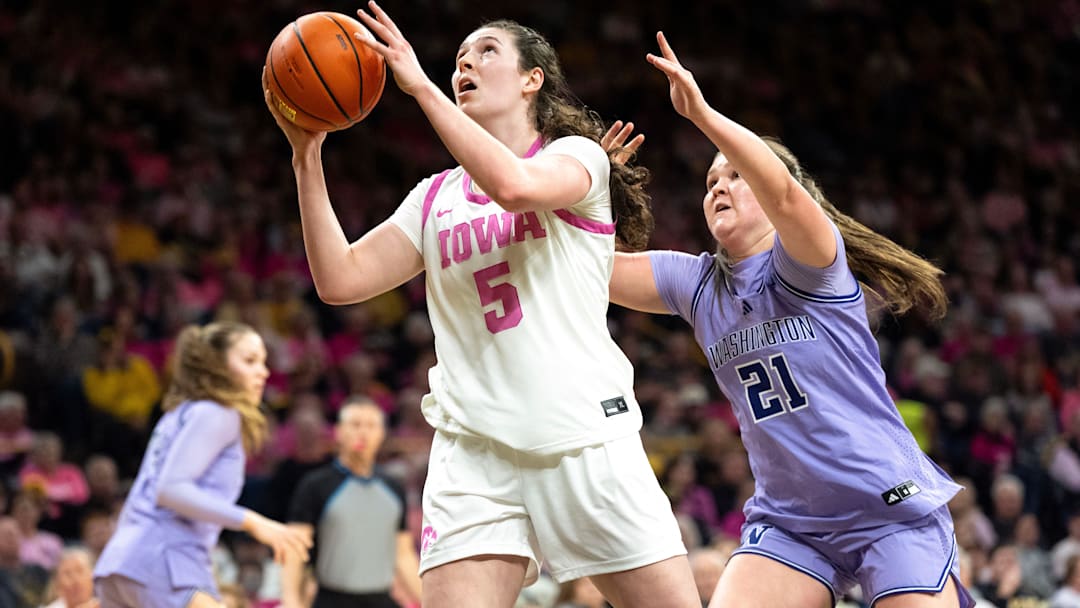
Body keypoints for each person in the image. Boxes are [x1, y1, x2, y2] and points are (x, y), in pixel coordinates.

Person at [263, 3, 699, 607]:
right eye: (460, 56)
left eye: (488, 50)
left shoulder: (580, 158)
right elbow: (339, 279)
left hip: (581, 437)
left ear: (532, 79)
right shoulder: (434, 196)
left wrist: (416, 84)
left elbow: (515, 188)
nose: (465, 60)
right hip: (473, 451)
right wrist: (305, 155)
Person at [605, 33, 974, 607]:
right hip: (793, 524)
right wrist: (583, 199)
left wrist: (703, 116)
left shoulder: (810, 263)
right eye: (710, 183)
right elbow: (584, 270)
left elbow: (779, 189)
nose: (719, 187)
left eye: (734, 176)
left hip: (888, 508)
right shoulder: (697, 283)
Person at [92, 321, 311, 608]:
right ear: (217, 366)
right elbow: (170, 489)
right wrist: (254, 522)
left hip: (122, 562)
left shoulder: (178, 414)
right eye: (250, 361)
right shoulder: (219, 414)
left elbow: (143, 495)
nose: (264, 372)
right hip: (164, 562)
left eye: (263, 361)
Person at [281, 396, 421, 608]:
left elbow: (404, 556)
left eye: (371, 426)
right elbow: (294, 550)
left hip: (382, 600)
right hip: (332, 600)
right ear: (338, 432)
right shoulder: (315, 485)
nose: (363, 432)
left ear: (382, 434)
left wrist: (429, 600)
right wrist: (291, 601)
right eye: (355, 425)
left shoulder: (393, 488)